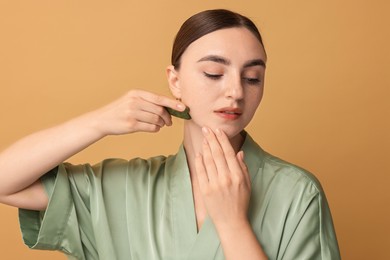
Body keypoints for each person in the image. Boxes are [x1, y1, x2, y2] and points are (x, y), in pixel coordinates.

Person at [0, 9, 341, 260]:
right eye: (213, 73)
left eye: (252, 78)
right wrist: (99, 122)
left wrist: (233, 224)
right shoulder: (122, 186)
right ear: (175, 81)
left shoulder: (298, 193)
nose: (236, 91)